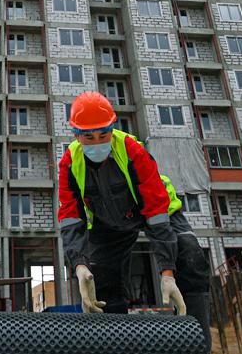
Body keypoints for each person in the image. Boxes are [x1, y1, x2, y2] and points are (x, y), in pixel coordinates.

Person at [57, 92, 214, 340]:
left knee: (191, 256)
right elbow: (70, 217)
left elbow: (155, 210)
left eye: (103, 135)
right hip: (107, 223)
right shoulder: (69, 164)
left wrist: (167, 272)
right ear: (76, 135)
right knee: (101, 280)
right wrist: (78, 264)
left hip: (156, 211)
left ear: (112, 129)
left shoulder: (132, 150)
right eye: (89, 136)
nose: (97, 142)